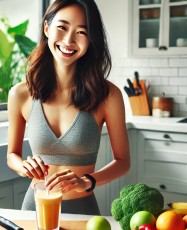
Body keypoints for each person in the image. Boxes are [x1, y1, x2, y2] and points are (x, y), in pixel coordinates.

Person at [7, 0, 130, 215]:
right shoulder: (20, 94)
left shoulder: (108, 95)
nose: (69, 40)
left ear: (91, 39)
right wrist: (22, 166)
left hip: (83, 212)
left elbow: (123, 162)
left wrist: (87, 182)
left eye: (81, 32)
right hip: (34, 209)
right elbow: (12, 155)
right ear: (47, 28)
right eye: (62, 27)